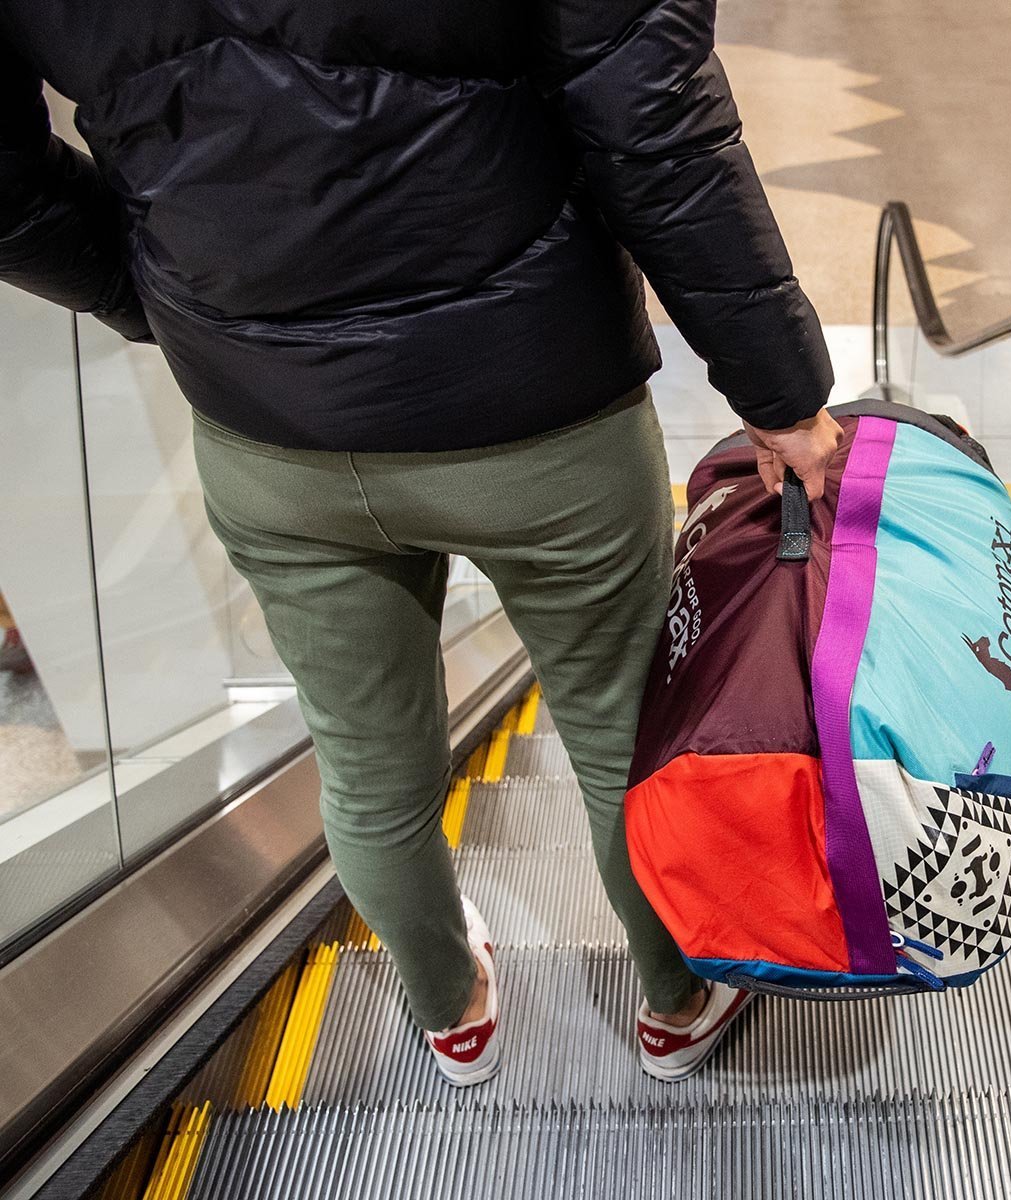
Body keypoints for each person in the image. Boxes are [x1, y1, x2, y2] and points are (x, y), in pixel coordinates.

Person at [0, 2, 840, 1087]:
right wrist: (781, 391)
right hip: (545, 413)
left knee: (366, 764)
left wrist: (172, 305)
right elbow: (656, 125)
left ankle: (453, 1011)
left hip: (269, 434)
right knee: (621, 735)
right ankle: (679, 999)